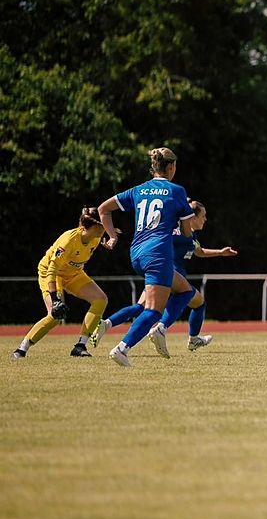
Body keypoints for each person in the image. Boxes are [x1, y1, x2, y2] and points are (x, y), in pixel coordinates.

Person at [91, 200, 238, 351]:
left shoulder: (190, 235)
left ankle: (106, 324)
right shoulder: (177, 232)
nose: (205, 219)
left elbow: (199, 252)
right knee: (193, 298)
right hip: (168, 275)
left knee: (141, 308)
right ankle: (166, 330)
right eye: (203, 216)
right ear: (193, 217)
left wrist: (220, 252)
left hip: (159, 275)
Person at [97, 147, 197, 367]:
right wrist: (187, 235)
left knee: (186, 290)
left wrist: (112, 237)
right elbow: (186, 231)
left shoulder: (139, 190)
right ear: (171, 167)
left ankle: (159, 330)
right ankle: (122, 349)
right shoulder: (176, 190)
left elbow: (103, 209)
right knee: (152, 310)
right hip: (158, 254)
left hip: (137, 253)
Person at [11, 209, 110, 359]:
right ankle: (21, 349)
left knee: (100, 300)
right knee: (55, 315)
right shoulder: (68, 240)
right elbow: (52, 270)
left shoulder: (96, 238)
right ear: (89, 227)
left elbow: (112, 231)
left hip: (73, 274)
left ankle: (80, 346)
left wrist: (112, 239)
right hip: (51, 273)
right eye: (102, 225)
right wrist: (55, 299)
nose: (105, 227)